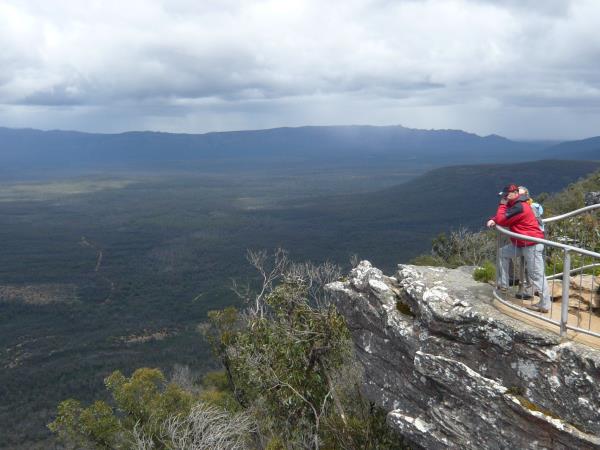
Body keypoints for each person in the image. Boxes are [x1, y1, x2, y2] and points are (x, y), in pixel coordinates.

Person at [487, 184, 551, 313]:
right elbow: (505, 216)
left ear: (515, 193)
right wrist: (494, 219)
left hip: (531, 244)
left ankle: (545, 304)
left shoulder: (519, 206)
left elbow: (503, 219)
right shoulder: (516, 204)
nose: (504, 197)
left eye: (506, 195)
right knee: (503, 253)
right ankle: (503, 284)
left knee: (536, 275)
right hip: (521, 243)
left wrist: (501, 206)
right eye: (503, 196)